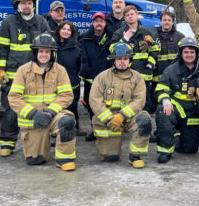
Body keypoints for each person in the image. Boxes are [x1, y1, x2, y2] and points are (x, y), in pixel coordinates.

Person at [7, 33, 76, 171]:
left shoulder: (60, 70)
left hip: (53, 116)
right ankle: (40, 149)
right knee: (36, 160)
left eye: (47, 51)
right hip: (33, 121)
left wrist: (51, 111)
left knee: (67, 123)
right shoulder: (23, 71)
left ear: (52, 54)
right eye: (41, 51)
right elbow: (14, 97)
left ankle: (64, 159)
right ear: (35, 52)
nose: (44, 54)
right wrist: (33, 114)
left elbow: (67, 94)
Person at [0, 0, 50, 157]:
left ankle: (37, 141)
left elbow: (48, 48)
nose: (27, 6)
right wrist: (0, 69)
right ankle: (7, 143)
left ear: (33, 5)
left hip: (36, 74)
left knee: (38, 107)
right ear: (17, 5)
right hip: (13, 74)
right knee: (12, 110)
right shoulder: (9, 22)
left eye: (29, 3)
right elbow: (2, 48)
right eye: (23, 3)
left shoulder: (41, 22)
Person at [89, 42, 152, 168]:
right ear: (114, 60)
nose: (122, 62)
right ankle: (111, 148)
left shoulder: (137, 77)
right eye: (119, 59)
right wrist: (108, 118)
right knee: (111, 158)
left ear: (129, 60)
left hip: (128, 117)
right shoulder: (102, 77)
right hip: (108, 119)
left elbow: (139, 100)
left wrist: (122, 115)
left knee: (144, 121)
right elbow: (95, 99)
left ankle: (135, 156)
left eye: (125, 59)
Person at [155, 37, 199, 163]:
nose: (189, 55)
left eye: (192, 52)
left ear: (197, 54)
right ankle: (165, 151)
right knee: (163, 112)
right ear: (181, 53)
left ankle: (177, 136)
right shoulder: (171, 70)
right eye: (186, 52)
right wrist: (166, 101)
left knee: (190, 149)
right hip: (175, 110)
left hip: (194, 114)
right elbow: (160, 89)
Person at [110, 5, 159, 115]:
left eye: (132, 14)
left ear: (137, 15)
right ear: (124, 18)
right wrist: (125, 39)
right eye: (127, 15)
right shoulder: (119, 33)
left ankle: (143, 128)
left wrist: (150, 63)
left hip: (144, 74)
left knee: (144, 104)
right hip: (126, 74)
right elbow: (112, 48)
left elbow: (155, 49)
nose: (130, 17)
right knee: (127, 101)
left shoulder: (146, 32)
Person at [79, 12, 115, 141]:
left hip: (107, 80)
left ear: (105, 23)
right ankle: (95, 129)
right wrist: (87, 71)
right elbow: (82, 57)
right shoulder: (84, 38)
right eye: (96, 21)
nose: (99, 23)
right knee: (90, 104)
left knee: (106, 104)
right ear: (93, 23)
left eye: (101, 21)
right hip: (90, 79)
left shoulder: (111, 38)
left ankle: (108, 128)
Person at [55, 20, 86, 136]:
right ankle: (56, 131)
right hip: (56, 83)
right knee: (57, 107)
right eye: (63, 29)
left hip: (72, 82)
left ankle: (75, 126)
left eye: (69, 30)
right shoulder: (53, 46)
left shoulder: (77, 47)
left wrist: (76, 77)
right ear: (59, 30)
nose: (66, 32)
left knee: (73, 107)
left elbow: (81, 64)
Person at [151, 9, 185, 84]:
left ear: (173, 22)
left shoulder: (180, 37)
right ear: (161, 21)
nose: (167, 22)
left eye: (169, 20)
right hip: (157, 78)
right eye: (164, 20)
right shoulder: (153, 37)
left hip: (175, 77)